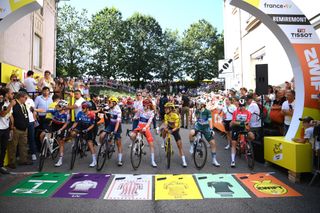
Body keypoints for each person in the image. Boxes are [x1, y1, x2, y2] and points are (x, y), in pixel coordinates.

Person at [189, 99, 220, 167]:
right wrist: (194, 121)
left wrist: (211, 129)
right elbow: (196, 119)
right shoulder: (197, 111)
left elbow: (210, 121)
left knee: (213, 143)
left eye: (198, 104)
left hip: (206, 128)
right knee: (191, 133)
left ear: (202, 105)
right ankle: (192, 145)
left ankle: (214, 160)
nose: (197, 105)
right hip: (198, 126)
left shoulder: (207, 111)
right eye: (196, 104)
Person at [7, 91, 32, 169]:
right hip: (16, 129)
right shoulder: (14, 104)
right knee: (13, 146)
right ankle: (12, 162)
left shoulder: (23, 104)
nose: (26, 99)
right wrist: (12, 126)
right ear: (21, 97)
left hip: (24, 128)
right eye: (25, 97)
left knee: (23, 145)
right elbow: (10, 115)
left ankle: (23, 160)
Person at [129, 99, 157, 167]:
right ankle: (136, 144)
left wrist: (146, 127)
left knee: (151, 144)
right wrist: (134, 118)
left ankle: (153, 161)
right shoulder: (141, 110)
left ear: (148, 106)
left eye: (145, 105)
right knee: (132, 135)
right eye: (143, 105)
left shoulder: (151, 113)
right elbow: (137, 116)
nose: (144, 106)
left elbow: (149, 122)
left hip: (146, 127)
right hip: (139, 126)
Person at [159, 102, 187, 167]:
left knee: (179, 146)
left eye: (167, 108)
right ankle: (163, 141)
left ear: (171, 109)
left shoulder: (175, 115)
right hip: (169, 127)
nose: (165, 109)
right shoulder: (166, 115)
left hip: (175, 129)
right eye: (165, 108)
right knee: (164, 130)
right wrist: (163, 128)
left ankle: (184, 161)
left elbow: (176, 126)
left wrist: (171, 130)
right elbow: (165, 124)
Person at [70, 101, 97, 167]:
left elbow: (93, 125)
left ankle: (94, 160)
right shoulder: (80, 113)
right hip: (80, 126)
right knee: (72, 133)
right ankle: (76, 143)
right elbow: (76, 122)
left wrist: (87, 130)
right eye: (82, 107)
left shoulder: (92, 114)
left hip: (89, 127)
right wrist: (72, 127)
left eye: (83, 107)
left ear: (88, 108)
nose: (82, 108)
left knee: (89, 143)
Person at [229, 98, 254, 167]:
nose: (242, 107)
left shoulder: (248, 112)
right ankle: (233, 160)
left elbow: (248, 121)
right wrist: (240, 123)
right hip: (236, 127)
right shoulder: (235, 112)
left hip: (244, 127)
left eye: (243, 106)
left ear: (245, 106)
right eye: (240, 106)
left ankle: (248, 146)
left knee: (251, 136)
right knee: (234, 143)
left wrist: (244, 124)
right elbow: (233, 121)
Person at [99, 97, 123, 166]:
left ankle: (120, 159)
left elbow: (118, 122)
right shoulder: (109, 106)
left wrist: (115, 131)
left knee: (118, 142)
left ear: (114, 103)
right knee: (101, 136)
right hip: (111, 124)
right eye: (108, 102)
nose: (108, 103)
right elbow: (104, 109)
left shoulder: (118, 110)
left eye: (110, 102)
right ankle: (104, 148)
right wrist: (104, 112)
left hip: (117, 126)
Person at [46, 100, 69, 167]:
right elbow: (44, 110)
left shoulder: (66, 115)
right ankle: (48, 148)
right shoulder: (55, 111)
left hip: (62, 126)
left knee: (61, 142)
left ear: (63, 107)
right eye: (57, 105)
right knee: (43, 135)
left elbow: (66, 124)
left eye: (59, 106)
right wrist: (35, 109)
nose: (57, 107)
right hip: (54, 124)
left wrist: (61, 130)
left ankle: (60, 159)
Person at [0, 88, 15, 174]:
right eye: (11, 93)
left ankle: (1, 166)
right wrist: (11, 105)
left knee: (3, 148)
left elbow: (10, 115)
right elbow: (3, 114)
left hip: (6, 129)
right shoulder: (1, 103)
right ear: (6, 94)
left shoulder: (9, 103)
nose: (12, 95)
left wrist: (12, 127)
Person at [23, 89, 37, 161]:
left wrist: (34, 119)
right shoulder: (18, 101)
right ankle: (22, 155)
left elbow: (33, 110)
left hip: (30, 121)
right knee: (23, 139)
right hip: (23, 122)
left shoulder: (30, 101)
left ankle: (33, 153)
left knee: (31, 138)